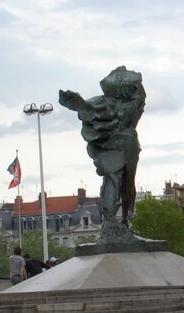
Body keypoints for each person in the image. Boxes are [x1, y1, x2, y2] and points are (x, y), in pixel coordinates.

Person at [59, 66, 145, 225]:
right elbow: (92, 108)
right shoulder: (109, 102)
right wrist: (81, 104)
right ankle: (112, 215)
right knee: (114, 178)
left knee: (128, 181)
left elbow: (140, 93)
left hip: (128, 145)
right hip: (113, 144)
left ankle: (126, 218)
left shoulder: (134, 103)